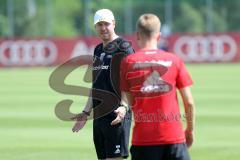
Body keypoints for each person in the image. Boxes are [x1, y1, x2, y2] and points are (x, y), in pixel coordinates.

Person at [112, 13, 195, 160]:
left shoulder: (128, 62)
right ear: (159, 36)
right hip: (174, 139)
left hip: (143, 140)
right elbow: (189, 102)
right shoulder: (174, 60)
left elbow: (128, 102)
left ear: (137, 35)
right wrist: (189, 130)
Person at [71, 9, 134, 160]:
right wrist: (86, 112)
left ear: (114, 24)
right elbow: (96, 85)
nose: (103, 28)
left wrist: (124, 106)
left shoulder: (124, 47)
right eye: (99, 24)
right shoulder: (98, 50)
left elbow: (131, 81)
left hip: (116, 114)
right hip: (99, 117)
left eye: (106, 23)